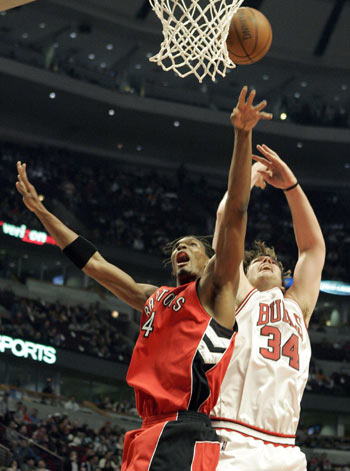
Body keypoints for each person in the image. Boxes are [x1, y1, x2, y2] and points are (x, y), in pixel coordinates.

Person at [15, 86, 272, 471]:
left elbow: (235, 211)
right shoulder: (154, 297)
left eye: (191, 245)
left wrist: (242, 134)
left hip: (182, 431)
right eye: (176, 247)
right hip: (148, 431)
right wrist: (43, 214)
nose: (180, 248)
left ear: (210, 259)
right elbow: (95, 263)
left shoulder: (216, 288)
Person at [210, 144, 326, 470]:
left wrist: (291, 186)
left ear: (284, 275)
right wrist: (249, 177)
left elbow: (313, 250)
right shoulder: (238, 295)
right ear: (242, 273)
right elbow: (227, 220)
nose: (266, 260)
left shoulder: (298, 308)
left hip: (285, 446)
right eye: (257, 260)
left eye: (273, 261)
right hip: (232, 436)